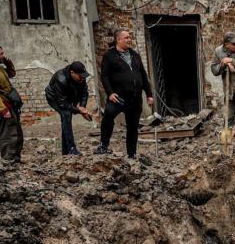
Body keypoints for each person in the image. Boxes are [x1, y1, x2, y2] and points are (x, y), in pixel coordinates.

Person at [96, 29, 154, 157]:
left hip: (135, 98)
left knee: (133, 127)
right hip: (117, 97)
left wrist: (149, 94)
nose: (129, 39)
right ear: (118, 40)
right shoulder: (109, 56)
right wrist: (110, 93)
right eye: (126, 37)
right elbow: (104, 76)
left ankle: (131, 154)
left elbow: (143, 76)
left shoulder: (135, 55)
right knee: (108, 117)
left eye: (130, 37)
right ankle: (103, 146)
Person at [45, 61, 92, 155]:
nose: (83, 78)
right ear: (72, 73)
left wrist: (82, 107)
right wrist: (79, 111)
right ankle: (71, 148)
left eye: (84, 76)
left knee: (65, 118)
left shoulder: (81, 78)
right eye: (80, 76)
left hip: (69, 96)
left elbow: (84, 93)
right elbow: (63, 103)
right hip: (55, 98)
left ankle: (65, 151)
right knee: (66, 114)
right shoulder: (61, 79)